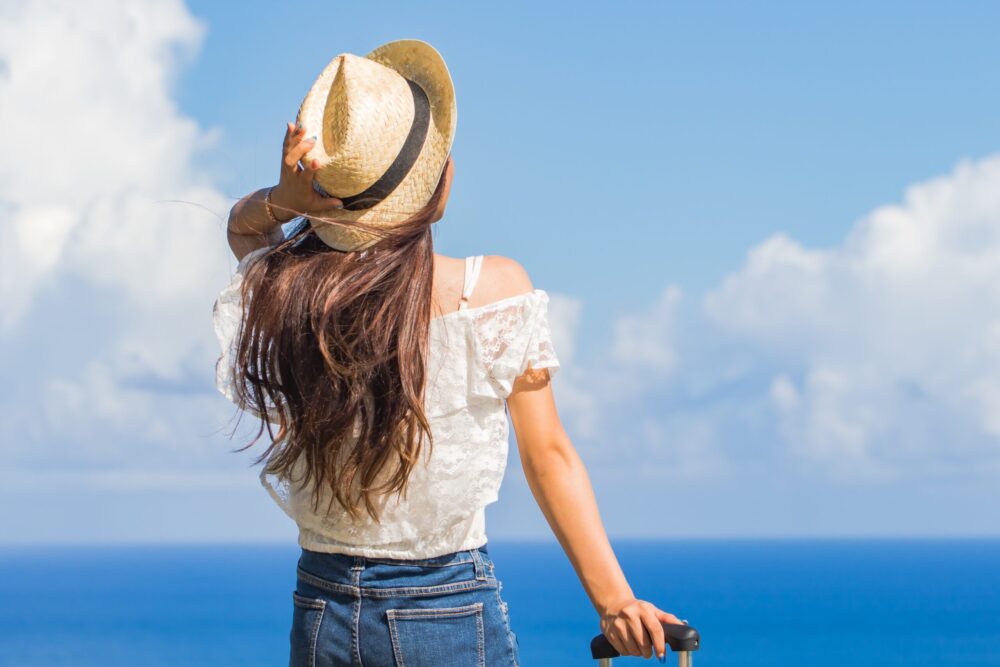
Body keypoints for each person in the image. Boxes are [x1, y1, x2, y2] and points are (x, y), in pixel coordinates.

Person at [213, 39, 685, 666]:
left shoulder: (296, 295)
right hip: (445, 606)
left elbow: (243, 226)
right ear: (440, 182)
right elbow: (548, 455)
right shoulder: (487, 294)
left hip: (321, 608)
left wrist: (285, 199)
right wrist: (614, 601)